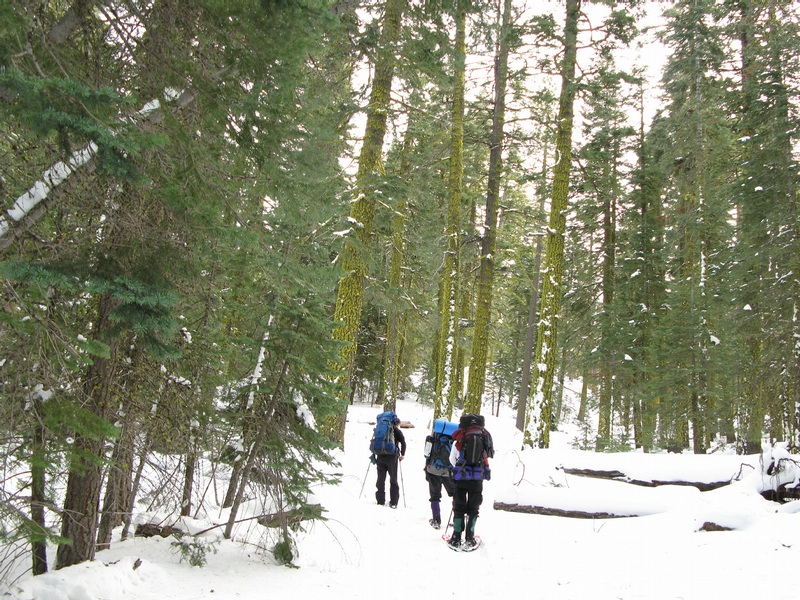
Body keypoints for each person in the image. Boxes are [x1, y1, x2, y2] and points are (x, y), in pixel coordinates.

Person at [447, 413, 494, 549]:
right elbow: (489, 455)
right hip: (477, 478)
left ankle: (456, 537)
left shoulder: (459, 438)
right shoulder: (484, 437)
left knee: (459, 506)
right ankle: (470, 537)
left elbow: (452, 460)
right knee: (474, 507)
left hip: (461, 477)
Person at [423, 419, 457, 529]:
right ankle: (457, 520)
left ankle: (436, 520)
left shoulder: (431, 439)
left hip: (433, 470)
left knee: (434, 496)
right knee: (456, 495)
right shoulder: (454, 440)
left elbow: (426, 454)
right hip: (448, 471)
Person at [373, 415, 406, 508]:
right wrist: (402, 454)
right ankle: (394, 502)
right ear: (396, 423)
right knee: (393, 479)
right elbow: (403, 443)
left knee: (380, 479)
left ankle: (380, 501)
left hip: (380, 456)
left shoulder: (381, 430)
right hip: (392, 458)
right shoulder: (397, 431)